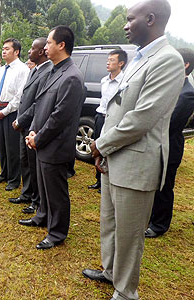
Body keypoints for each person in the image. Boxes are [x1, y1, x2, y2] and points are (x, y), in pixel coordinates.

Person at [83, 1, 185, 299]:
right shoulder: (139, 59)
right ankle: (111, 271)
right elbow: (117, 106)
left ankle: (126, 292)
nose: (125, 25)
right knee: (110, 222)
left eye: (130, 19)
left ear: (150, 19)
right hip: (115, 155)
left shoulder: (167, 60)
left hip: (137, 161)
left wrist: (101, 144)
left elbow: (141, 118)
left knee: (129, 233)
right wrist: (106, 148)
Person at [19, 26, 85, 250]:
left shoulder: (72, 77)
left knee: (56, 192)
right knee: (44, 187)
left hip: (55, 146)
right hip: (41, 141)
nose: (45, 47)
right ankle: (42, 216)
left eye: (48, 43)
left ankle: (57, 232)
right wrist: (33, 131)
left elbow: (60, 117)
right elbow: (40, 105)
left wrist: (39, 138)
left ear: (61, 45)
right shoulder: (53, 71)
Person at [146, 48, 194, 238]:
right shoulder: (171, 86)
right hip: (157, 143)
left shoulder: (187, 93)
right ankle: (151, 217)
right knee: (154, 183)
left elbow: (170, 122)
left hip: (169, 146)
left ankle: (159, 224)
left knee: (164, 186)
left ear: (185, 65)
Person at [10, 37, 52, 214]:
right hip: (25, 124)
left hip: (33, 125)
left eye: (32, 49)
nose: (29, 51)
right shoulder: (35, 70)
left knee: (34, 165)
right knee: (25, 162)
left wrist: (21, 120)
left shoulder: (47, 72)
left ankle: (36, 200)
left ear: (41, 51)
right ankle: (27, 193)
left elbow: (38, 103)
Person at [0, 38, 30, 191]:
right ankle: (4, 173)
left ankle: (14, 179)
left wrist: (4, 111)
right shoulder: (1, 70)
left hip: (11, 112)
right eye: (3, 49)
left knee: (12, 147)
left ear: (16, 51)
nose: (4, 51)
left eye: (7, 49)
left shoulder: (22, 69)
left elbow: (20, 96)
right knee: (1, 145)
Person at [88, 50, 127, 193]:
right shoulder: (104, 80)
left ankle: (108, 179)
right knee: (97, 146)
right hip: (100, 116)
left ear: (121, 63)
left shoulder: (124, 82)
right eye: (108, 60)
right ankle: (98, 180)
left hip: (114, 119)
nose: (108, 62)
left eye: (112, 60)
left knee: (108, 149)